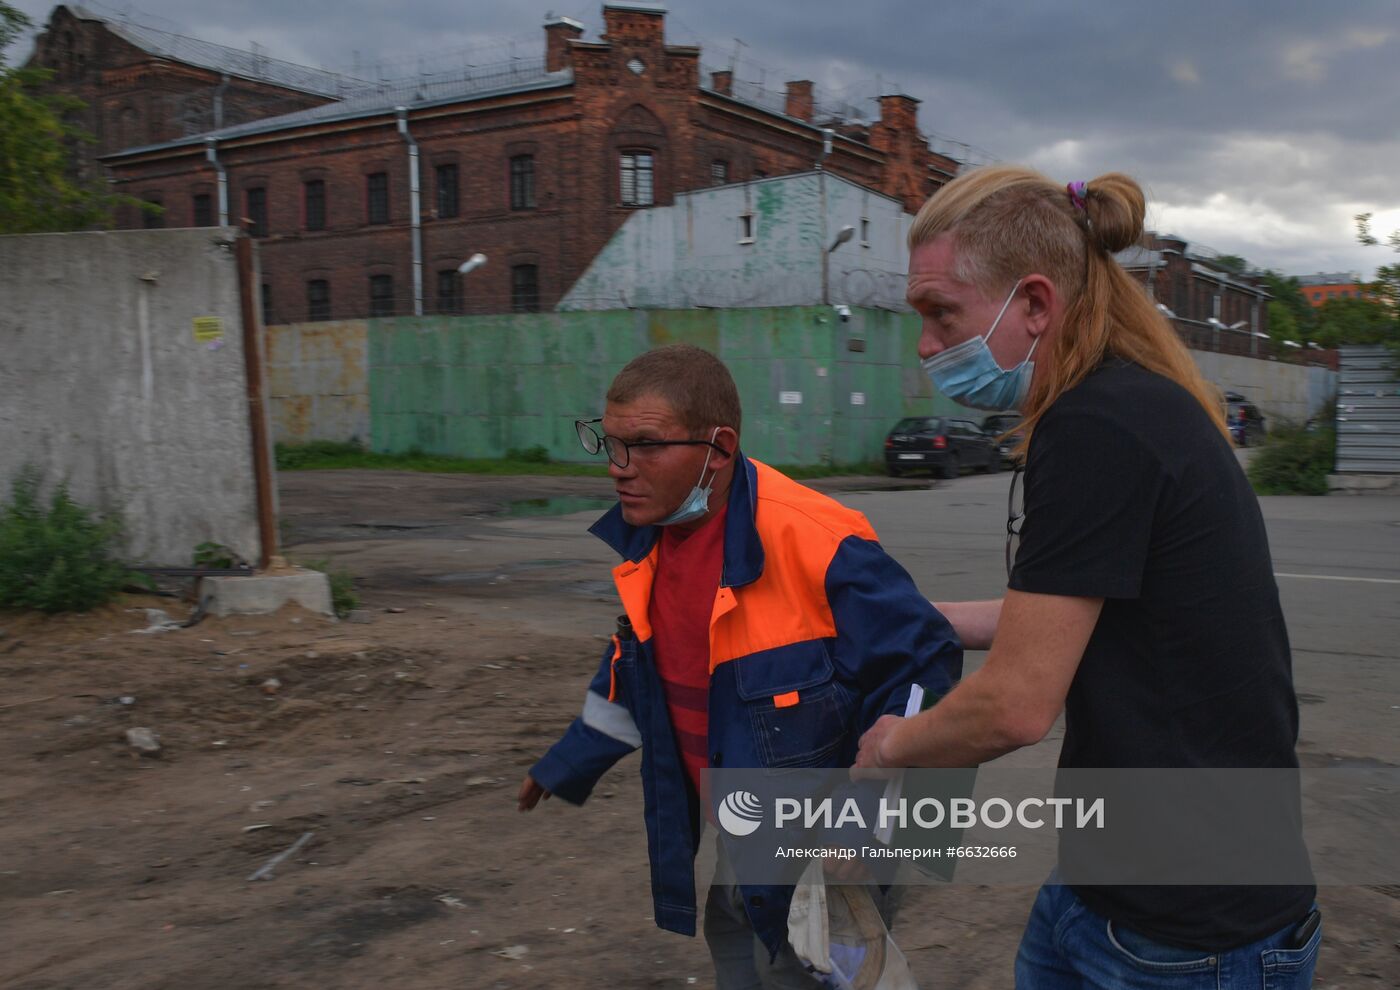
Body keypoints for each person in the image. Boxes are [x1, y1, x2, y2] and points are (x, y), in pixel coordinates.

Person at [854, 167, 1320, 988]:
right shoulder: (1131, 403)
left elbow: (1015, 708)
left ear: (1035, 305)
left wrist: (890, 747)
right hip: (1110, 893)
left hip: (1188, 938)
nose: (926, 344)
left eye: (941, 313)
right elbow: (1089, 608)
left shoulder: (1097, 425)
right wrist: (931, 618)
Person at [518, 344, 962, 988]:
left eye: (643, 445)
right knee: (732, 932)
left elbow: (925, 670)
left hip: (828, 853)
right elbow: (635, 671)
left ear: (718, 449)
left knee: (804, 966)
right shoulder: (650, 543)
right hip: (748, 828)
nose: (618, 469)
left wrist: (870, 830)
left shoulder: (819, 541)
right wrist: (566, 762)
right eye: (608, 443)